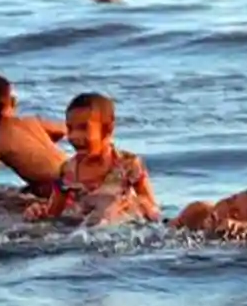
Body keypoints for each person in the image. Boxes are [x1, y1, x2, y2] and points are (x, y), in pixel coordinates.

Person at [24, 93, 159, 225]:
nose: (74, 136)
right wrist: (38, 213)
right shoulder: (68, 171)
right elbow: (53, 214)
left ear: (108, 129)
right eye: (70, 128)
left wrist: (131, 205)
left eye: (84, 128)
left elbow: (153, 210)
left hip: (120, 230)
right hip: (81, 232)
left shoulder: (128, 165)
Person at [0, 73, 68, 197]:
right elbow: (64, 129)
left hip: (54, 187)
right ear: (13, 101)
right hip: (74, 171)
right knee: (26, 190)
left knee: (17, 197)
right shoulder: (32, 121)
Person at [168, 188, 247, 239]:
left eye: (235, 214)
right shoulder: (199, 212)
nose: (223, 211)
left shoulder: (241, 238)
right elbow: (165, 229)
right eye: (229, 200)